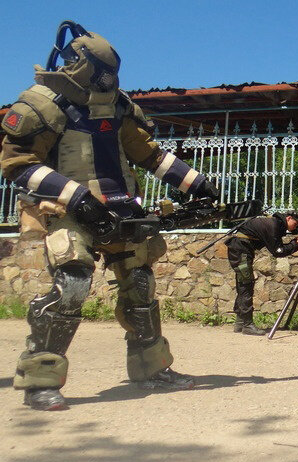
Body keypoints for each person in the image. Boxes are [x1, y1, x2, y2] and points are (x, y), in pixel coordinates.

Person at [0, 21, 221, 411]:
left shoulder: (119, 105)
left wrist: (196, 182)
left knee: (140, 285)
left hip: (121, 208)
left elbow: (147, 154)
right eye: (102, 74)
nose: (107, 81)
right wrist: (78, 197)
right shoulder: (41, 102)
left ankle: (151, 370)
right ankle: (40, 380)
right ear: (78, 64)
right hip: (68, 208)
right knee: (72, 283)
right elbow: (18, 163)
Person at [225, 211, 298, 335]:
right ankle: (247, 325)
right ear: (289, 218)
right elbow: (278, 251)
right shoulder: (273, 225)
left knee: (244, 283)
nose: (296, 227)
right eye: (296, 224)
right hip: (240, 251)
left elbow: (278, 246)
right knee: (246, 284)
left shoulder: (275, 223)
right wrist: (296, 243)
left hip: (241, 249)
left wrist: (295, 240)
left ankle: (240, 322)